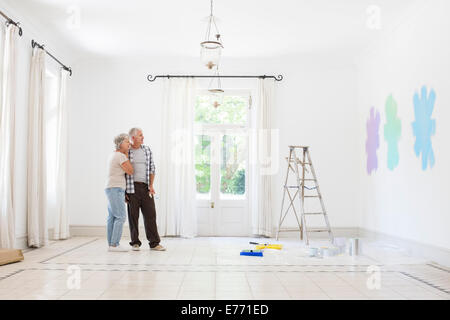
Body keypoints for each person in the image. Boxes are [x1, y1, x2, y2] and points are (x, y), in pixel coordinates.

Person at [125, 128, 166, 251]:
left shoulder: (147, 150)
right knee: (133, 217)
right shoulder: (127, 151)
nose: (143, 137)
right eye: (140, 135)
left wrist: (151, 185)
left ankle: (154, 243)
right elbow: (122, 172)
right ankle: (135, 242)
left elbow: (152, 168)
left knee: (151, 215)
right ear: (133, 138)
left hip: (145, 187)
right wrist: (124, 191)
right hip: (131, 188)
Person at [105, 133, 134, 252]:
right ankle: (114, 245)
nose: (129, 144)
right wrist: (126, 155)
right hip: (116, 189)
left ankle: (111, 244)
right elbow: (131, 171)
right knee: (121, 217)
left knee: (112, 217)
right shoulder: (120, 156)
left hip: (111, 188)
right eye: (127, 142)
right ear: (120, 143)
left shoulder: (113, 155)